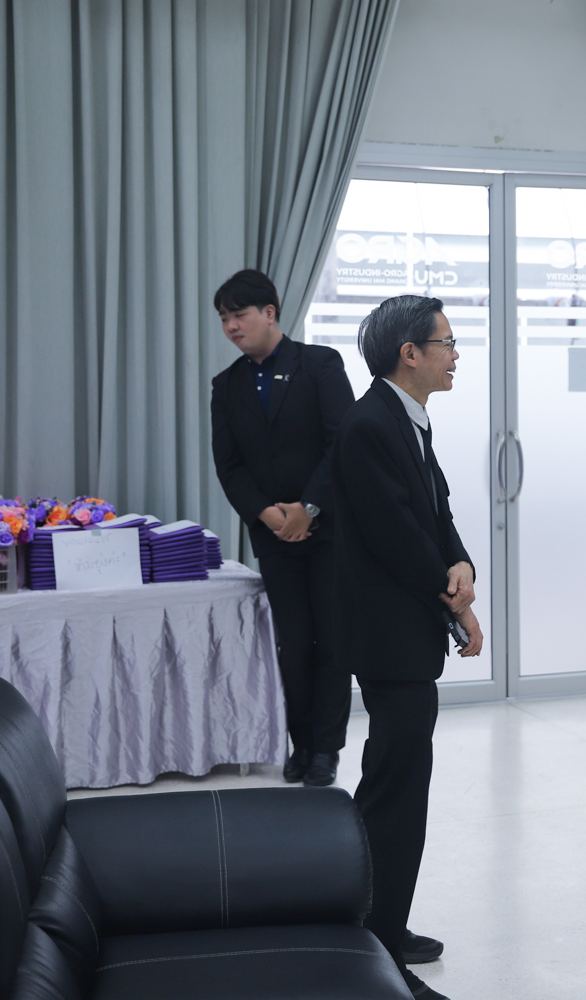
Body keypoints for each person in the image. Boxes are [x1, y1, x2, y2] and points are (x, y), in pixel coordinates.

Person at [331, 294, 482, 1000]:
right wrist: (452, 596)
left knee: (398, 785)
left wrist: (463, 566)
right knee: (394, 793)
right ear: (410, 353)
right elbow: (395, 533)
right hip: (388, 638)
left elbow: (436, 513)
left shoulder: (407, 419)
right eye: (446, 343)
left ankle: (380, 924)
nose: (455, 356)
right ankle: (377, 945)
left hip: (407, 631)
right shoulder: (369, 425)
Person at [210, 268, 355, 787]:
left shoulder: (320, 364)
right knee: (292, 645)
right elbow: (230, 467)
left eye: (239, 314)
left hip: (329, 531)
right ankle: (300, 744)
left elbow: (343, 443)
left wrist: (308, 508)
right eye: (224, 318)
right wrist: (269, 514)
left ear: (269, 313)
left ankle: (327, 750)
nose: (231, 326)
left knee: (332, 643)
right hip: (273, 536)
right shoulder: (226, 385)